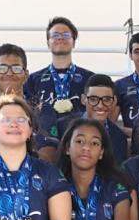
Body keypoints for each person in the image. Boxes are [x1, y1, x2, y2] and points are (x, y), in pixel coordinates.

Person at [24, 16, 94, 162]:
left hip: (79, 141)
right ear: (48, 43)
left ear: (74, 42)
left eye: (66, 35)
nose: (60, 38)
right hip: (44, 143)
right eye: (55, 35)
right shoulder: (33, 80)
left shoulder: (89, 78)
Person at [57, 74, 129, 163]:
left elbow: (118, 172)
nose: (100, 105)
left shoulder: (119, 137)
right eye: (93, 99)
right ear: (83, 99)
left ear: (114, 101)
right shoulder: (62, 126)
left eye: (106, 99)